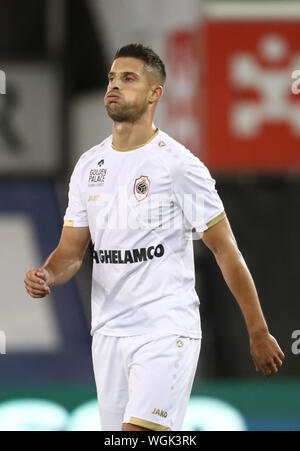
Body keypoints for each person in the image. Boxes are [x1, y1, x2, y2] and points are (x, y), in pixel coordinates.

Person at [24, 43, 284, 431]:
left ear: (153, 94)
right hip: (109, 333)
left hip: (165, 329)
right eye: (112, 78)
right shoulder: (89, 166)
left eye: (128, 78)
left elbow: (225, 249)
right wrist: (46, 274)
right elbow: (71, 253)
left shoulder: (178, 164)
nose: (114, 85)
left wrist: (258, 330)